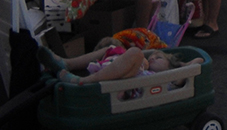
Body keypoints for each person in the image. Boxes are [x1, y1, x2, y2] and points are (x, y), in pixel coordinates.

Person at [37, 45, 203, 86]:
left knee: (136, 53)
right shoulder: (145, 66)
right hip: (117, 74)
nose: (152, 59)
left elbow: (197, 62)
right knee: (112, 48)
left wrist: (181, 64)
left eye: (158, 58)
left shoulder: (169, 79)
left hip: (126, 86)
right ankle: (68, 63)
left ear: (170, 67)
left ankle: (84, 81)